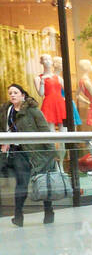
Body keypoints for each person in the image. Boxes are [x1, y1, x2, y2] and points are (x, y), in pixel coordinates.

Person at [4, 84, 57, 226]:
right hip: (19, 152)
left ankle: (49, 212)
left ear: (23, 95)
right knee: (21, 184)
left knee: (43, 182)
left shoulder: (33, 110)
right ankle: (18, 216)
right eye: (10, 93)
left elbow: (45, 131)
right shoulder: (8, 111)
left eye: (15, 92)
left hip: (37, 152)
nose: (12, 95)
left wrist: (52, 153)